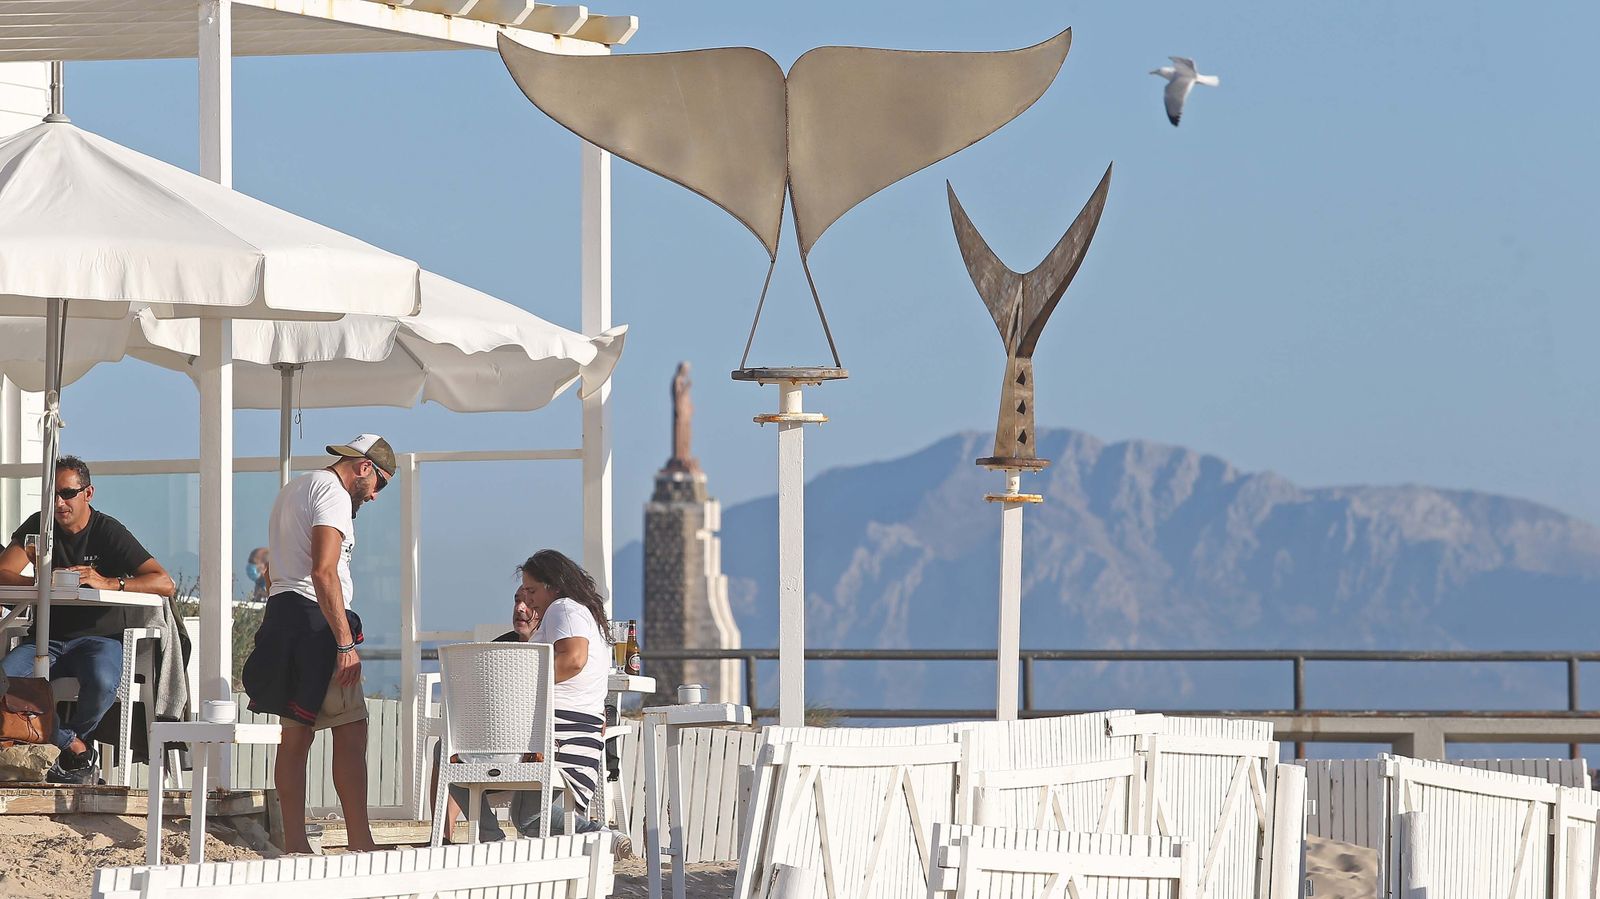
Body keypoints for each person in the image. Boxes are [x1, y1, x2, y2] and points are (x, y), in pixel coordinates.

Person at [241, 434, 394, 854]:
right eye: (380, 483)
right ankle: (361, 841)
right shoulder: (334, 494)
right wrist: (345, 643)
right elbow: (324, 571)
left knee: (295, 737)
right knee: (351, 730)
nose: (377, 496)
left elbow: (273, 571)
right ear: (363, 467)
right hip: (317, 622)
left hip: (283, 617)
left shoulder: (295, 488)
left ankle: (295, 843)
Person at [0, 456, 176, 784]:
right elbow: (3, 571)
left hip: (100, 638)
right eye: (51, 494)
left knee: (102, 679)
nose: (58, 502)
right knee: (3, 679)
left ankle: (71, 749)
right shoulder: (39, 525)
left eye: (67, 493)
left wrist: (108, 582)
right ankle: (75, 746)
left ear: (88, 493)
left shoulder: (107, 531)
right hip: (45, 638)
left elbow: (164, 582)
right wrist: (38, 583)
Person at [435, 550, 611, 842]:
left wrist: (513, 690)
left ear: (554, 586)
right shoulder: (579, 613)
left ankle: (490, 840)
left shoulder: (563, 608)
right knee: (530, 820)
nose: (527, 600)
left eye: (531, 590)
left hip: (554, 736)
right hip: (579, 737)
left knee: (448, 750)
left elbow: (573, 660)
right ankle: (604, 835)